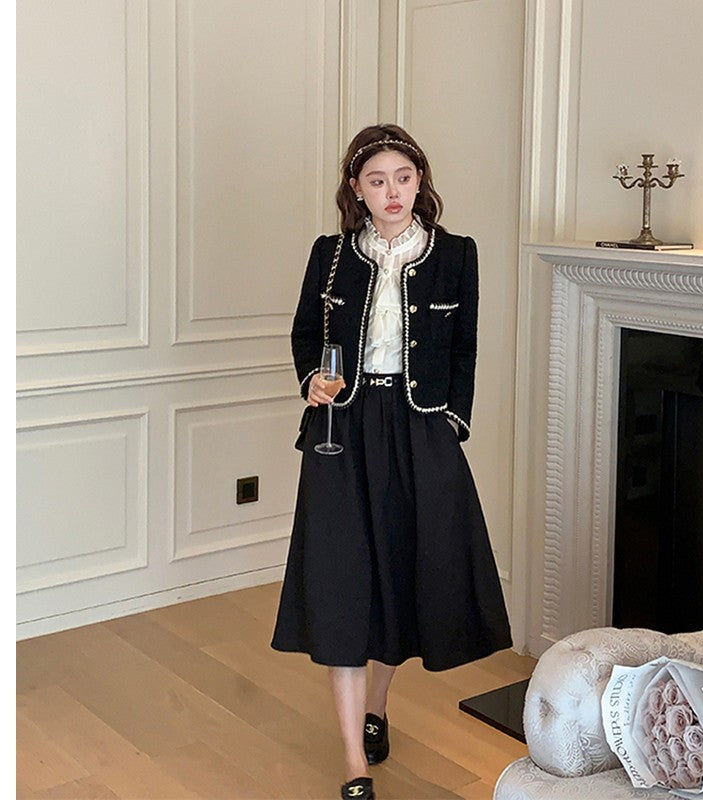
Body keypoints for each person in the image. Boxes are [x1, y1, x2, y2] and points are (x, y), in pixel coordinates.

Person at [271, 123, 512, 800]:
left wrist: (452, 423)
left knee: (404, 574)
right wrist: (312, 381)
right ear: (357, 189)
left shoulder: (455, 254)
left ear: (419, 180)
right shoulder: (330, 255)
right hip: (341, 432)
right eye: (376, 181)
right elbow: (305, 334)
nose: (392, 192)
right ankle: (355, 761)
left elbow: (464, 349)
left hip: (419, 429)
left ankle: (378, 705)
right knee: (343, 582)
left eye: (403, 178)